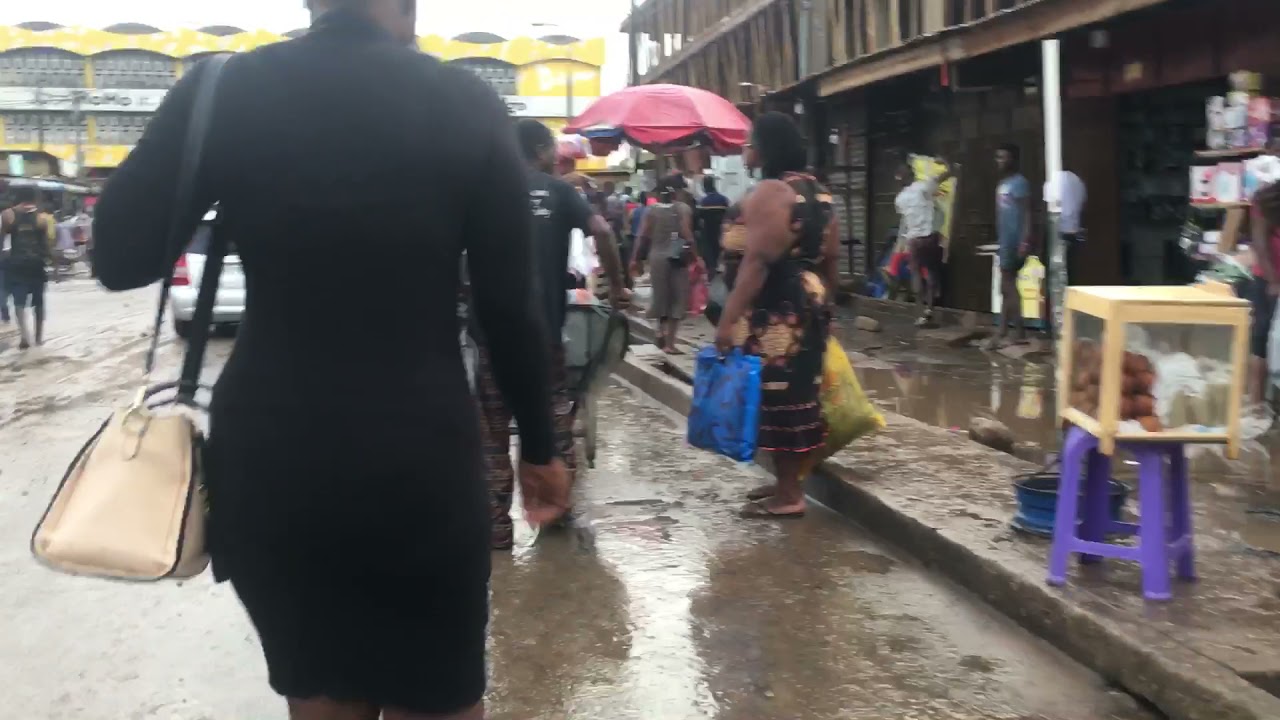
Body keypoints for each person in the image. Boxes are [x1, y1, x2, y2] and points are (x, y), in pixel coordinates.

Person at [91, 1, 570, 718]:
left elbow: (119, 257)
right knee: (438, 692)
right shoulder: (465, 103)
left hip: (274, 458)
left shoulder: (224, 89)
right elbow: (511, 306)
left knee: (318, 693)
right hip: (418, 458)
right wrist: (539, 445)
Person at [475, 119, 625, 550]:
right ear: (541, 149)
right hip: (542, 339)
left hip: (489, 337)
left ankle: (496, 530)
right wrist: (618, 288)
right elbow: (602, 230)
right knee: (554, 425)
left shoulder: (483, 190)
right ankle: (553, 520)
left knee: (493, 433)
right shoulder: (559, 192)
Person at [713, 112, 839, 519]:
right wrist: (826, 306)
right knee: (799, 394)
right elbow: (832, 257)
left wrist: (728, 319)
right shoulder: (818, 191)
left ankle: (789, 496)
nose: (745, 148)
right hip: (808, 299)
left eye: (751, 141)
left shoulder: (772, 190)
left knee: (778, 394)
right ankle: (787, 483)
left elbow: (758, 262)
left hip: (779, 308)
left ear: (766, 147)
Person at [633, 179, 695, 353]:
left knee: (661, 296)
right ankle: (670, 343)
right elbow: (686, 232)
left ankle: (660, 330)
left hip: (657, 258)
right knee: (677, 297)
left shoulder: (651, 211)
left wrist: (635, 258)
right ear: (677, 192)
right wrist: (696, 254)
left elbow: (642, 236)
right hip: (677, 258)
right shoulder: (683, 208)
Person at [893, 154, 955, 326]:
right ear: (913, 175)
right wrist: (945, 162)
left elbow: (905, 221)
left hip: (913, 241)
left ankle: (919, 312)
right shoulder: (923, 187)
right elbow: (950, 173)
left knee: (916, 274)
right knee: (933, 272)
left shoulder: (899, 200)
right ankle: (929, 310)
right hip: (929, 237)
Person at [987, 142, 1033, 350]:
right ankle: (1003, 330)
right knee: (1005, 287)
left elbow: (1027, 213)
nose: (999, 162)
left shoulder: (1020, 183)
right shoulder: (1002, 184)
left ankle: (1018, 330)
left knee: (1008, 285)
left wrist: (1025, 240)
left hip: (1015, 242)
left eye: (1003, 157)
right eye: (997, 157)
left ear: (1012, 159)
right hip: (1004, 241)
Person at [1, 187, 54, 349]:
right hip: (36, 265)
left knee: (19, 301)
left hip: (16, 264)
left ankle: (24, 335)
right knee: (39, 303)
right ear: (34, 198)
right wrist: (53, 264)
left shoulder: (8, 215)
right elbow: (45, 246)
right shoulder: (41, 219)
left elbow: (1, 240)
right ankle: (38, 338)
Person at [1247, 181, 1280, 406]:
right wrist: (1273, 280)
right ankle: (1257, 402)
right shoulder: (1264, 200)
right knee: (1262, 338)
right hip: (1269, 278)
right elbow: (1260, 243)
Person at [1045, 169, 1086, 285]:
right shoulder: (1078, 181)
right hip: (1074, 231)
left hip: (1060, 232)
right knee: (1071, 271)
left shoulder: (1054, 179)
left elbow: (1050, 204)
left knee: (1057, 270)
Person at [696, 176, 730, 278]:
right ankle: (720, 265)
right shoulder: (723, 199)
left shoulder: (703, 201)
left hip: (707, 230)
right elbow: (728, 215)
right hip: (720, 230)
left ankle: (711, 267)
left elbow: (699, 218)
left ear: (704, 187)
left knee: (707, 245)